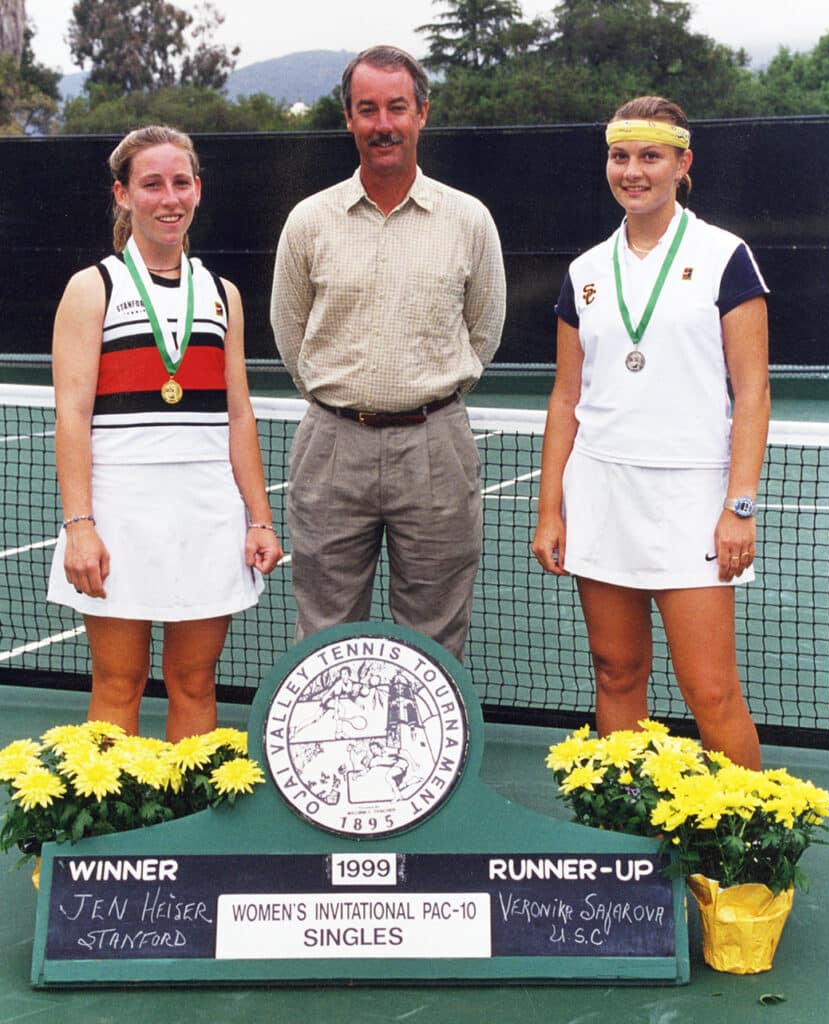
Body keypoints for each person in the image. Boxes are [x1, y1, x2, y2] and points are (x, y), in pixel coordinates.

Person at [531, 97, 769, 769]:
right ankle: (627, 827)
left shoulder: (725, 256)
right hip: (602, 495)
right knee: (616, 672)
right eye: (620, 156)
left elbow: (753, 392)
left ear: (683, 164)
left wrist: (739, 506)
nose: (632, 171)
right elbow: (567, 396)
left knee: (710, 691)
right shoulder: (585, 271)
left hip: (692, 501)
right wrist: (550, 510)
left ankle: (745, 837)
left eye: (650, 156)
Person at [47, 125, 283, 742]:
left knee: (195, 683)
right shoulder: (92, 287)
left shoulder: (223, 294)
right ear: (123, 194)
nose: (169, 198)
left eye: (181, 183)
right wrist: (80, 525)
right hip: (119, 511)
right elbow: (71, 417)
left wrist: (259, 518)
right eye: (152, 184)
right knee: (118, 683)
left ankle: (186, 805)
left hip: (207, 512)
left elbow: (238, 415)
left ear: (198, 190)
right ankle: (112, 806)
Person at [270, 45, 506, 662]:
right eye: (368, 109)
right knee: (324, 635)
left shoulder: (469, 220)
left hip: (436, 447)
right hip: (330, 448)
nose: (383, 124)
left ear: (421, 113)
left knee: (434, 640)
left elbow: (484, 331)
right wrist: (343, 405)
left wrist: (425, 398)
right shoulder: (309, 221)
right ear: (348, 117)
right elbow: (290, 333)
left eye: (397, 107)